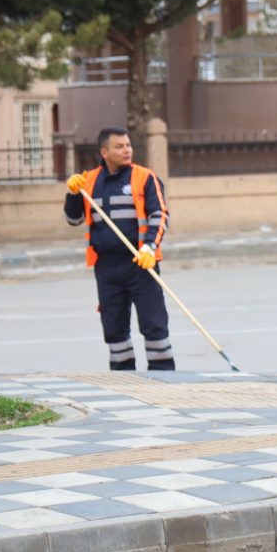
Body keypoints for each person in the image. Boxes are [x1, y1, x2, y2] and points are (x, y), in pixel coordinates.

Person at [64, 127, 175, 371]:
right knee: (113, 327)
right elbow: (73, 219)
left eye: (128, 145)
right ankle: (123, 380)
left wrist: (149, 247)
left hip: (141, 263)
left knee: (153, 323)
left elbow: (159, 214)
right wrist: (73, 193)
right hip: (107, 267)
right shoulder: (90, 180)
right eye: (119, 146)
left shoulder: (144, 177)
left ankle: (165, 378)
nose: (127, 150)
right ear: (104, 152)